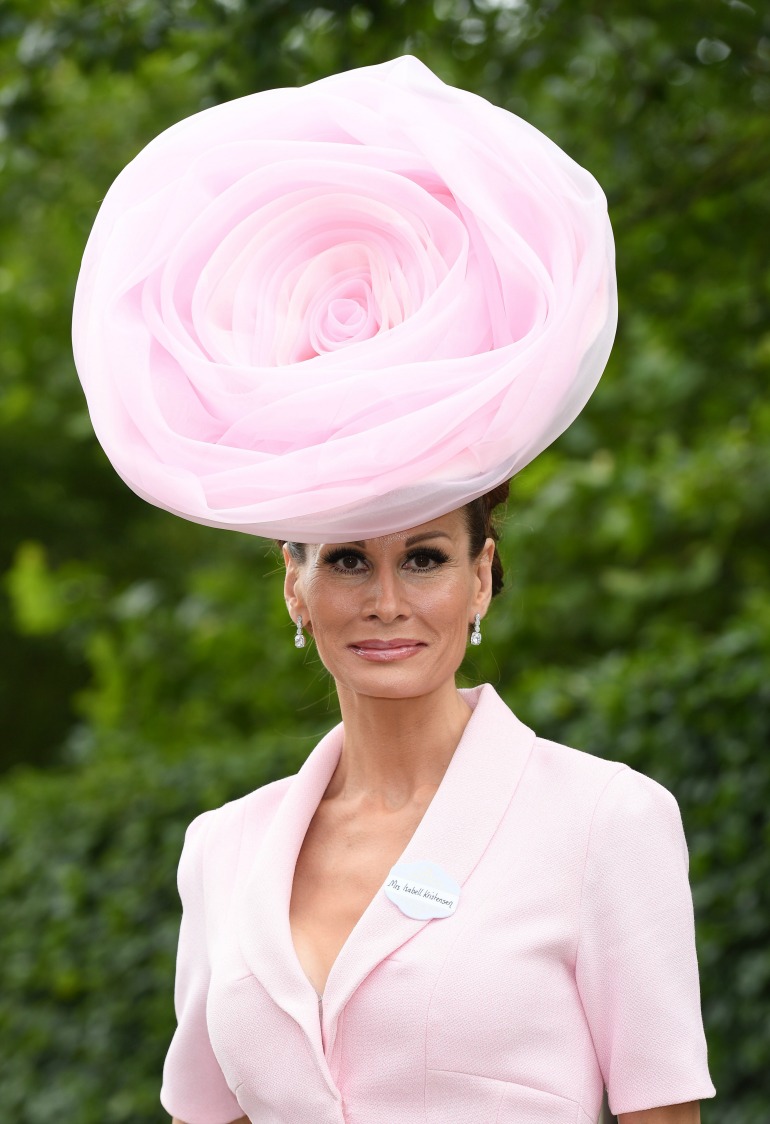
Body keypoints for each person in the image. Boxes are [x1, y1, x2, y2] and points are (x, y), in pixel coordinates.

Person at [72, 56, 715, 1124]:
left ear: (480, 578)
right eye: (344, 558)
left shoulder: (609, 819)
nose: (383, 599)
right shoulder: (220, 847)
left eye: (421, 556)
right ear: (293, 585)